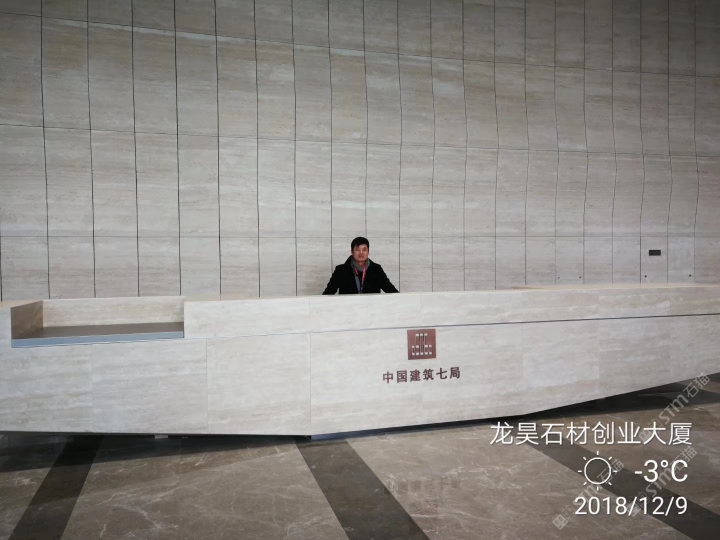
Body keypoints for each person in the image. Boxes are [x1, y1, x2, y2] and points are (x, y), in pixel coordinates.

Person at [322, 237, 399, 295]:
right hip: (348, 309)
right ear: (352, 252)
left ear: (368, 252)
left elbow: (391, 291)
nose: (361, 253)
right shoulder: (341, 270)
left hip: (371, 309)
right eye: (357, 249)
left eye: (364, 250)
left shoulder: (376, 269)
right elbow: (328, 294)